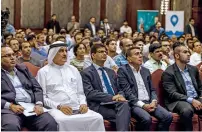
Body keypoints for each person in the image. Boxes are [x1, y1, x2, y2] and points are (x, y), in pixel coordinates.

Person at [36, 41, 105, 131]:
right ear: (53, 53)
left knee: (97, 118)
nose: (64, 54)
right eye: (61, 51)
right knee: (63, 120)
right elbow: (43, 97)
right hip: (57, 109)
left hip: (77, 107)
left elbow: (80, 92)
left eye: (65, 51)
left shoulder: (73, 70)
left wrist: (83, 103)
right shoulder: (43, 72)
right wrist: (59, 106)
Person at [1, 47, 57, 131]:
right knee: (11, 126)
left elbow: (37, 88)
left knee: (49, 122)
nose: (12, 58)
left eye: (13, 55)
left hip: (31, 107)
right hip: (10, 109)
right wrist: (10, 106)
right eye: (8, 56)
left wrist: (38, 104)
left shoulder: (23, 69)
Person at [118, 47, 172, 131]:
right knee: (146, 119)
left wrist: (154, 101)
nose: (140, 56)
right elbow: (127, 93)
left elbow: (152, 89)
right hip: (134, 103)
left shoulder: (145, 71)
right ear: (129, 58)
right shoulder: (123, 70)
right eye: (136, 54)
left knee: (167, 116)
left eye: (140, 53)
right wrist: (143, 105)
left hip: (149, 102)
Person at [81, 44, 131, 131]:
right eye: (101, 52)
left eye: (105, 52)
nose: (104, 54)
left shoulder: (111, 72)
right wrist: (111, 97)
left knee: (125, 105)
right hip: (100, 105)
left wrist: (121, 96)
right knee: (123, 116)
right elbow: (90, 93)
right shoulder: (86, 73)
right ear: (93, 55)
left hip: (116, 103)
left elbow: (120, 89)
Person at [162, 42, 202, 131]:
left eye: (188, 52)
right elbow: (172, 94)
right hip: (178, 100)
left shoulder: (193, 69)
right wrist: (191, 100)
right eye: (185, 52)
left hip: (196, 98)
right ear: (176, 56)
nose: (188, 54)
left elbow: (200, 87)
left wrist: (200, 96)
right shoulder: (168, 73)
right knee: (187, 110)